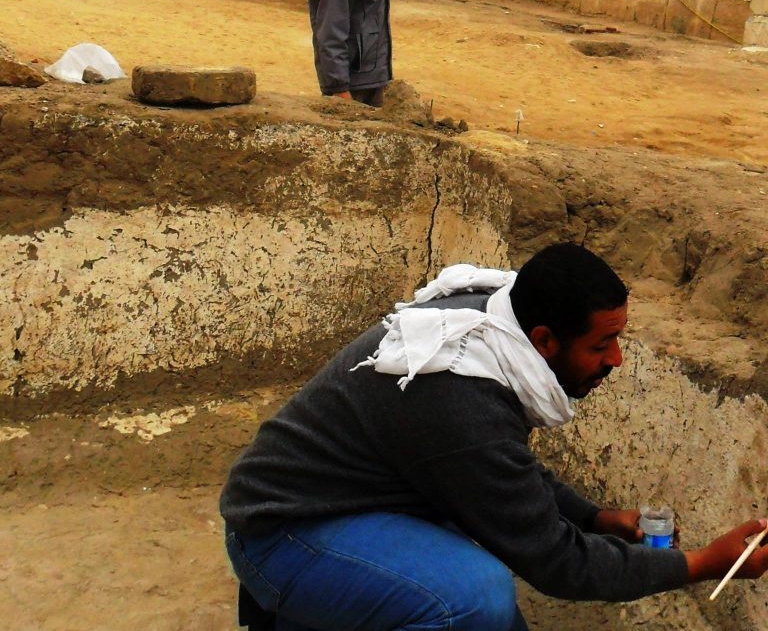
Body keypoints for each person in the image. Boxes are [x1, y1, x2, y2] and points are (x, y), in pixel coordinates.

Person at [220, 243, 768, 631]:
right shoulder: (463, 397)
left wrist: (593, 517)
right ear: (545, 340)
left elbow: (504, 469)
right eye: (602, 345)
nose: (616, 360)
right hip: (280, 534)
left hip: (347, 504)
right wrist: (702, 563)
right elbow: (557, 563)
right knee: (471, 599)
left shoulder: (494, 327)